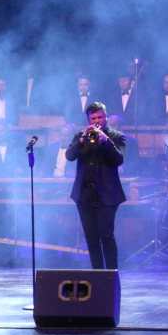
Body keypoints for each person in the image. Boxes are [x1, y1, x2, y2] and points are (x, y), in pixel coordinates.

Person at [66, 102, 126, 270]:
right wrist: (82, 140)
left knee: (106, 236)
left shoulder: (116, 136)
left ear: (105, 117)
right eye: (93, 118)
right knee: (91, 238)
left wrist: (106, 141)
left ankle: (112, 274)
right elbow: (69, 156)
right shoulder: (80, 135)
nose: (97, 121)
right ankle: (97, 275)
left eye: (100, 117)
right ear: (88, 119)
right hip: (84, 194)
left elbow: (119, 159)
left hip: (108, 195)